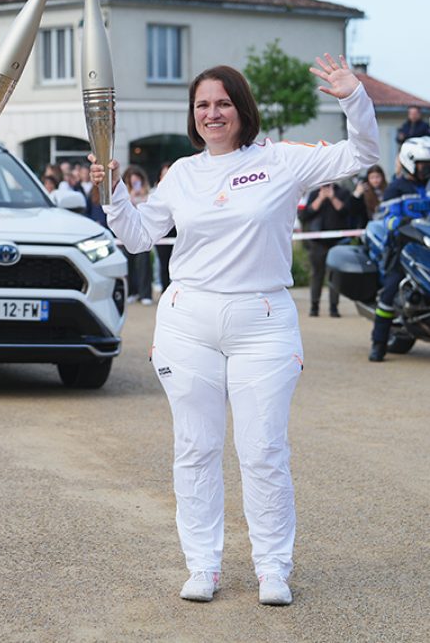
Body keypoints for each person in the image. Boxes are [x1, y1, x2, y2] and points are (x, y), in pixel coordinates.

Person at [89, 55, 379, 606]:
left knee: (263, 449)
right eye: (202, 105)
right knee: (195, 448)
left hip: (262, 323)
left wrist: (352, 97)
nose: (212, 113)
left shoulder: (281, 161)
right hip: (188, 321)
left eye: (223, 103)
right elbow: (137, 237)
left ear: (241, 108)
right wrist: (113, 193)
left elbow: (363, 154)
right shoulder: (181, 174)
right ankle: (204, 564)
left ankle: (273, 568)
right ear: (192, 115)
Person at [368, 137, 430, 361]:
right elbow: (388, 219)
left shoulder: (428, 186)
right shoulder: (395, 188)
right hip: (401, 247)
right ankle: (378, 343)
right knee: (390, 291)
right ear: (409, 162)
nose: (426, 169)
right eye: (423, 165)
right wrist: (400, 222)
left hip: (425, 243)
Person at [299, 181, 351, 317]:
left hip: (337, 242)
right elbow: (304, 215)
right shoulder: (314, 193)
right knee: (317, 274)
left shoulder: (342, 192)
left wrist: (333, 197)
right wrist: (321, 198)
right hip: (317, 243)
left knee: (335, 276)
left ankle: (334, 307)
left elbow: (346, 212)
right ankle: (314, 306)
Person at [122, 165, 153, 305]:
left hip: (144, 234)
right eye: (132, 182)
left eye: (137, 181)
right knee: (128, 263)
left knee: (144, 263)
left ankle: (145, 293)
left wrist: (141, 196)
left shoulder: (149, 194)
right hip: (127, 233)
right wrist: (132, 197)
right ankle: (131, 292)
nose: (135, 185)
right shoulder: (124, 195)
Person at [154, 162, 176, 292]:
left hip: (177, 231)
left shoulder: (182, 191)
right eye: (164, 174)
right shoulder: (156, 192)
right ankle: (164, 290)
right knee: (163, 263)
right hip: (162, 233)